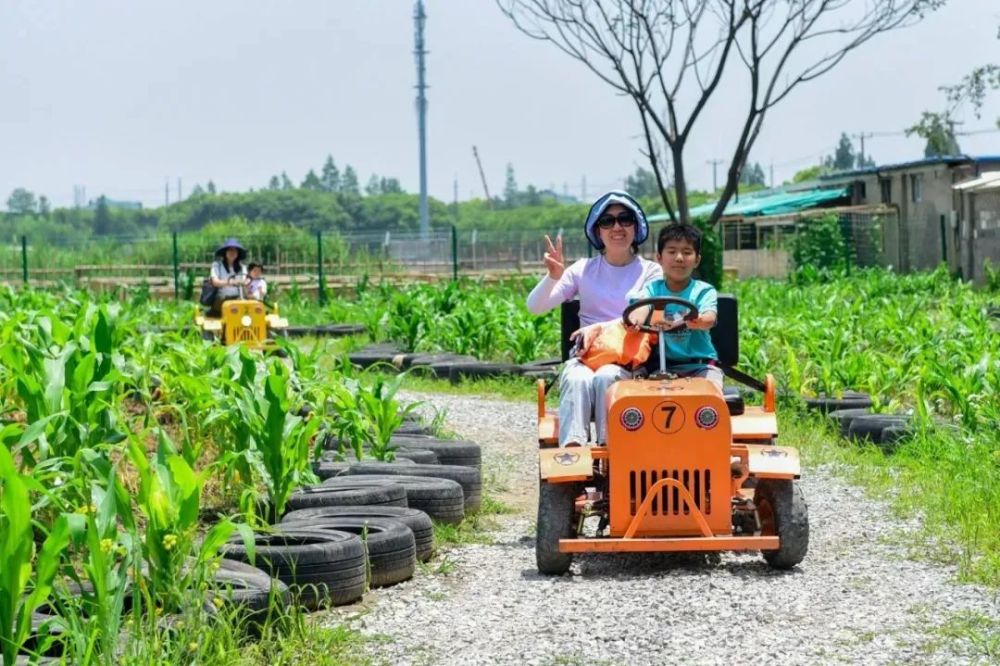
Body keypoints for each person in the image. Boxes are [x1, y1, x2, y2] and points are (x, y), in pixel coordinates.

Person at [527, 191, 662, 447]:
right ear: (597, 231)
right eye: (607, 221)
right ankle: (573, 452)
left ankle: (609, 450)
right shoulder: (582, 270)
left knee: (607, 377)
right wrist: (553, 276)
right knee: (576, 377)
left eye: (625, 219)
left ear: (637, 227)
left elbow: (639, 316)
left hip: (627, 361)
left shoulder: (651, 272)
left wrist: (599, 327)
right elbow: (535, 307)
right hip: (586, 357)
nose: (617, 227)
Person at [628, 223, 723, 391]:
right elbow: (640, 308)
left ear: (697, 260)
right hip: (661, 367)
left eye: (687, 252)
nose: (679, 258)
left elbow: (709, 318)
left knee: (710, 395)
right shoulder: (652, 289)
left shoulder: (703, 290)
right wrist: (636, 320)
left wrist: (700, 320)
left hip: (699, 366)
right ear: (659, 257)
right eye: (672, 252)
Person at [208, 238, 248, 316]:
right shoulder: (217, 265)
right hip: (221, 299)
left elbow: (245, 283)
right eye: (230, 250)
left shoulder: (242, 268)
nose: (232, 252)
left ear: (238, 253)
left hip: (239, 299)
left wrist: (247, 283)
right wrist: (230, 282)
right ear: (225, 252)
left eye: (234, 251)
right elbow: (215, 282)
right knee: (231, 307)